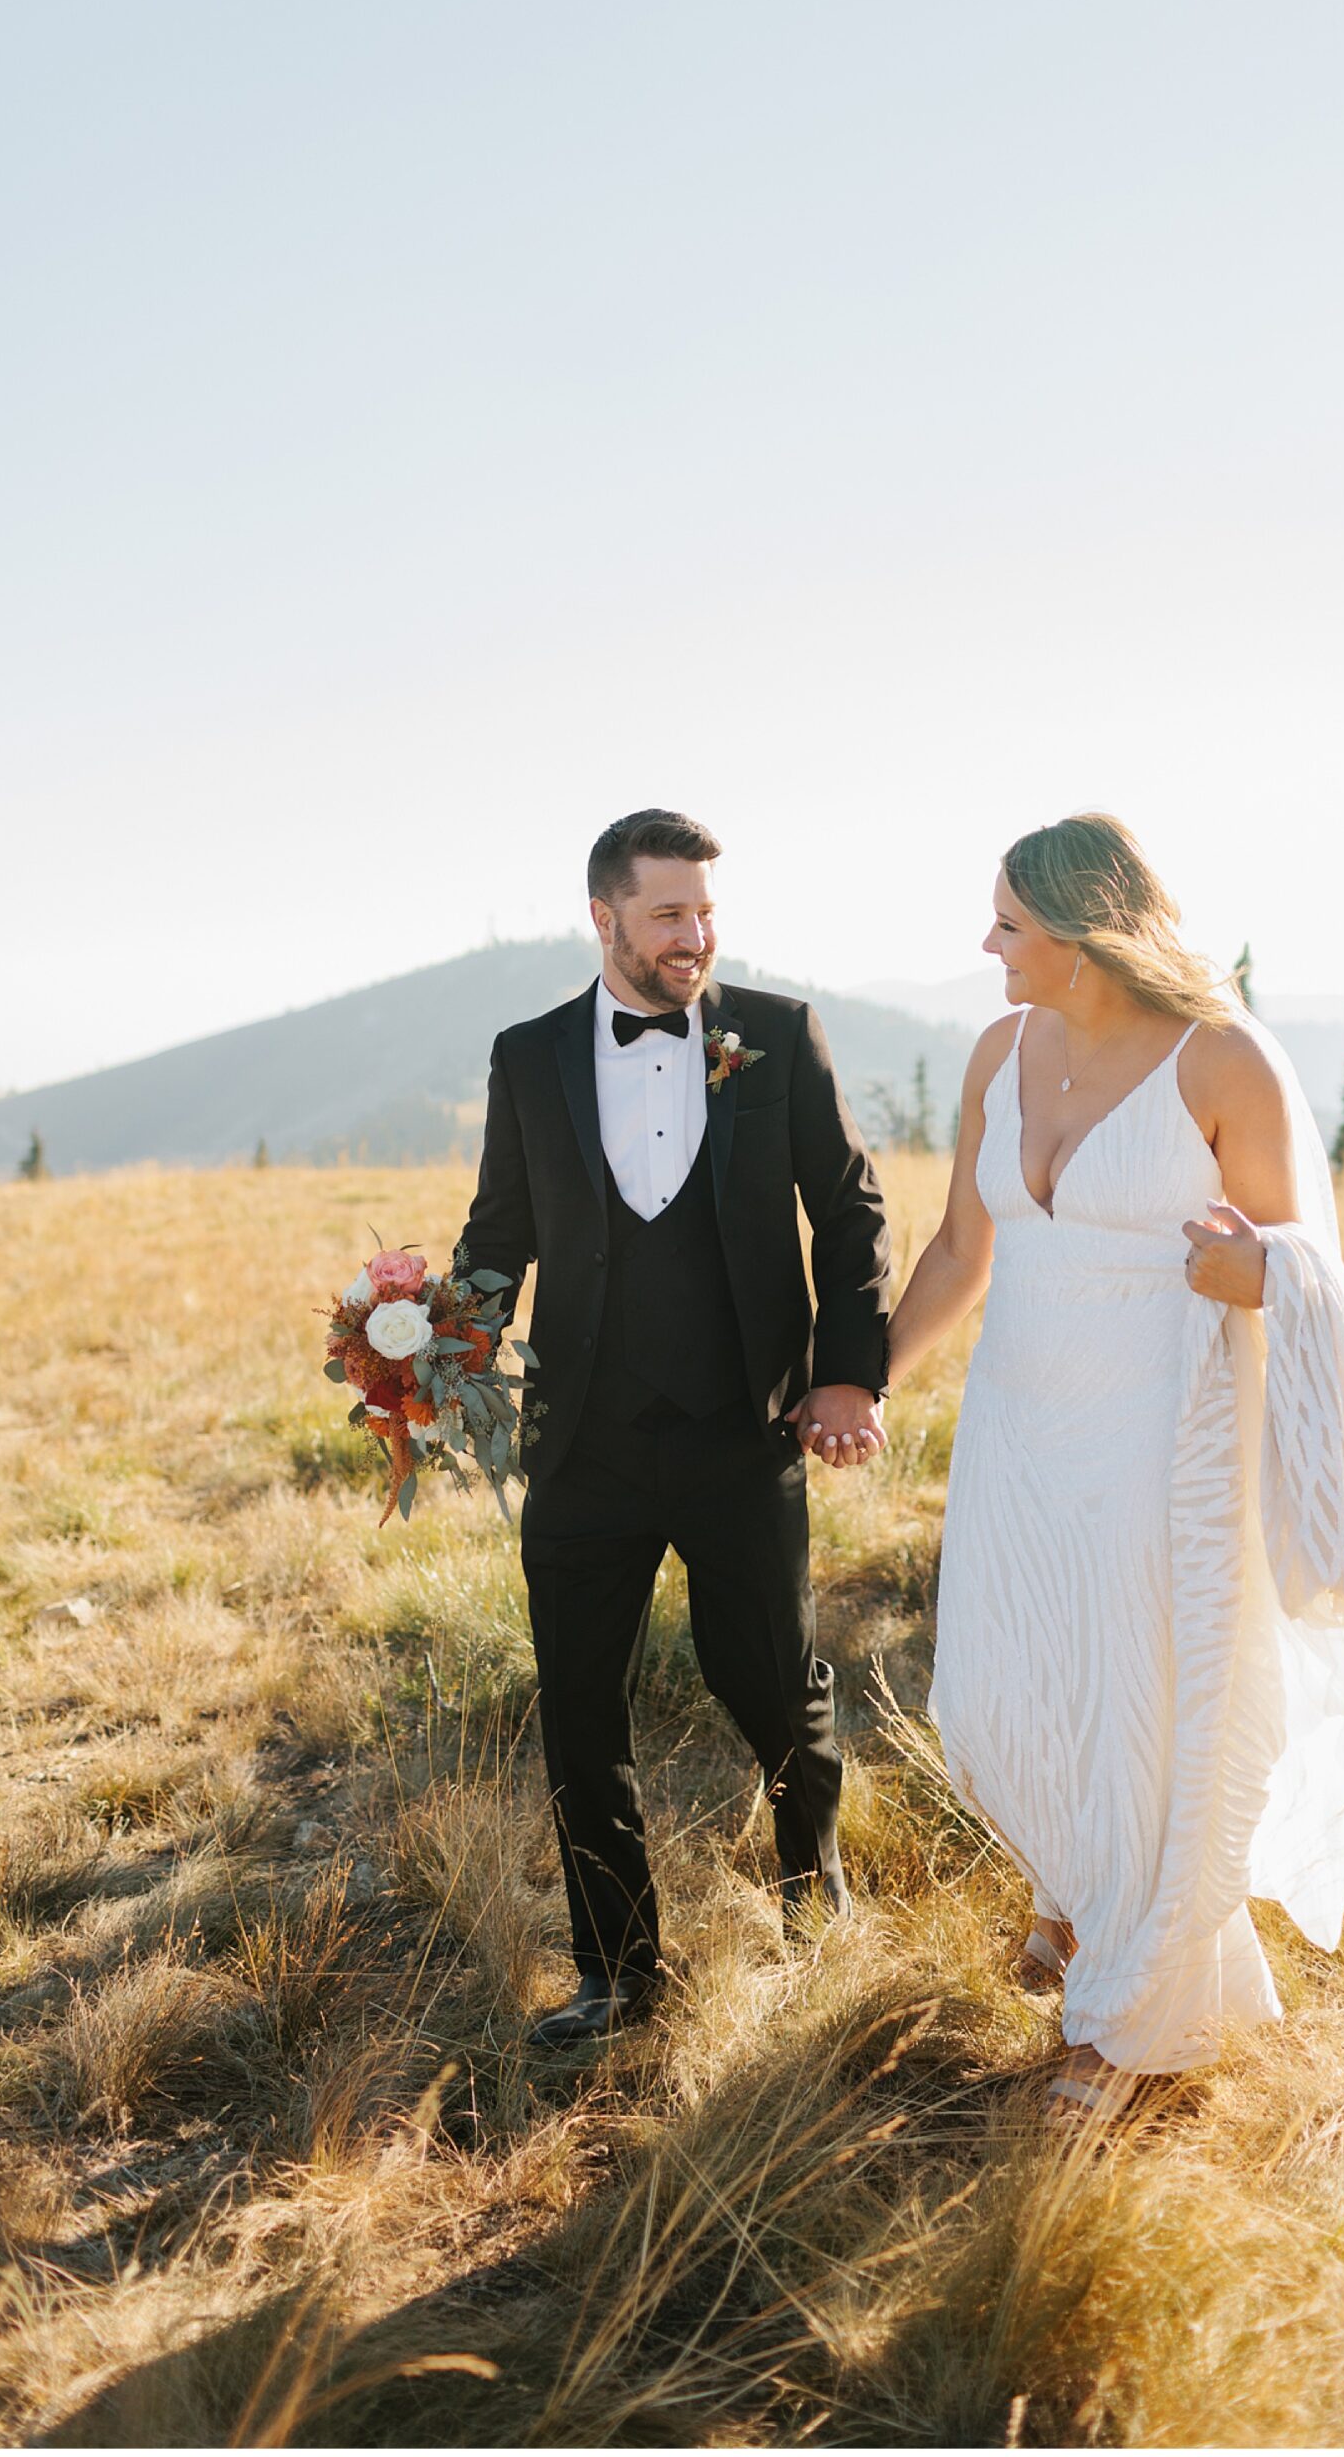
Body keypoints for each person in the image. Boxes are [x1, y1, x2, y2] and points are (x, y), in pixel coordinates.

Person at [886, 813, 1344, 2124]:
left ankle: (1125, 2014)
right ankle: (1079, 1889)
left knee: (1145, 1715)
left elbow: (1300, 1258)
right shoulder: (1001, 1050)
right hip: (1019, 1421)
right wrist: (862, 1380)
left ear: (1085, 937)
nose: (985, 944)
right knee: (999, 1698)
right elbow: (958, 1248)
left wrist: (1260, 1269)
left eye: (1008, 922)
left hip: (1166, 1427)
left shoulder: (1221, 1060)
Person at [456, 809, 891, 2048]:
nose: (693, 936)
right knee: (579, 1711)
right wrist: (434, 1353)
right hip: (581, 1442)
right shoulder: (528, 1055)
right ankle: (615, 1972)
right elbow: (500, 1234)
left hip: (739, 1432)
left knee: (765, 1678)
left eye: (704, 912)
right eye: (666, 915)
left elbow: (849, 1214)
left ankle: (811, 1884)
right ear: (603, 919)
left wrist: (847, 1375)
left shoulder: (778, 1035)